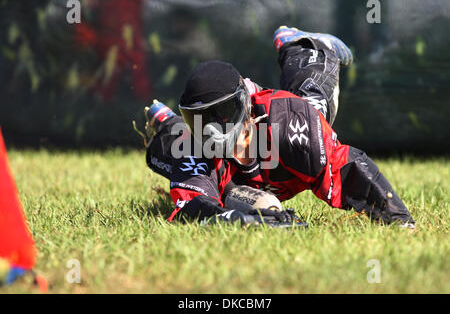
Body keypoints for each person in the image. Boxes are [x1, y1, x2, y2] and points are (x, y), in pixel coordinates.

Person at [140, 26, 415, 228]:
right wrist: (241, 220)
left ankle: (304, 49)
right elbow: (191, 205)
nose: (211, 132)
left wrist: (401, 223)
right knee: (166, 148)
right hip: (239, 177)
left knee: (314, 104)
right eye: (198, 119)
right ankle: (169, 123)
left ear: (243, 106)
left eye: (220, 115)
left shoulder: (288, 122)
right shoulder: (193, 145)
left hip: (282, 129)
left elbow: (344, 168)